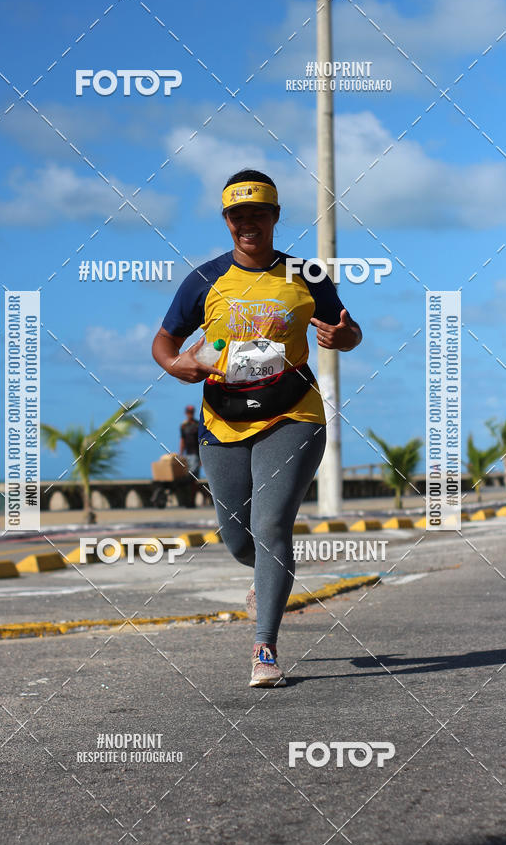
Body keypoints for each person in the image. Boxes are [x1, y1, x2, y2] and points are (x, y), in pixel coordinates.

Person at [152, 169, 361, 688]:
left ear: (275, 217)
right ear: (227, 220)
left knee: (270, 527)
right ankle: (266, 579)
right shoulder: (204, 280)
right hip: (222, 418)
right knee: (237, 538)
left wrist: (344, 337)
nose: (248, 223)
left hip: (293, 413)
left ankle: (264, 647)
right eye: (237, 215)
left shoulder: (306, 275)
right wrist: (176, 365)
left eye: (258, 214)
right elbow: (164, 341)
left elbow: (348, 328)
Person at [180, 405, 200, 478]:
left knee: (193, 474)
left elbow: (201, 441)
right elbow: (182, 440)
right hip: (187, 454)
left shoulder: (198, 425)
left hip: (196, 453)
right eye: (188, 412)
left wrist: (201, 457)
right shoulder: (184, 426)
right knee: (187, 474)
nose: (190, 414)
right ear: (186, 413)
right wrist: (181, 454)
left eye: (191, 412)